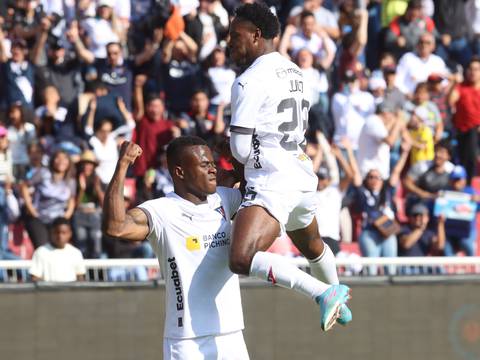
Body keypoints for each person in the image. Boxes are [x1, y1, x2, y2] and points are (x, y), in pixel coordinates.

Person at [227, 2, 351, 331]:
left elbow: (240, 148)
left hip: (271, 180)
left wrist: (234, 166)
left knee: (241, 258)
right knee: (313, 246)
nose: (228, 42)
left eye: (234, 35)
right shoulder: (295, 70)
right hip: (300, 173)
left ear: (256, 35)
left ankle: (322, 294)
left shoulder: (247, 80)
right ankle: (339, 296)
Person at [103, 138, 249, 359]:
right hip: (186, 339)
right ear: (179, 172)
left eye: (213, 163)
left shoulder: (225, 198)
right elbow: (116, 227)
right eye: (204, 165)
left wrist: (233, 155)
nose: (213, 169)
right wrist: (123, 164)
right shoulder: (161, 211)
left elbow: (257, 185)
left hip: (230, 333)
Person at [29, 217, 86, 282]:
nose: (60, 236)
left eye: (64, 233)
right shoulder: (41, 252)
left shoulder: (76, 253)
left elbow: (80, 277)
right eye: (57, 232)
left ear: (70, 234)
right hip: (48, 291)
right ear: (51, 232)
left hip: (70, 291)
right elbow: (35, 277)